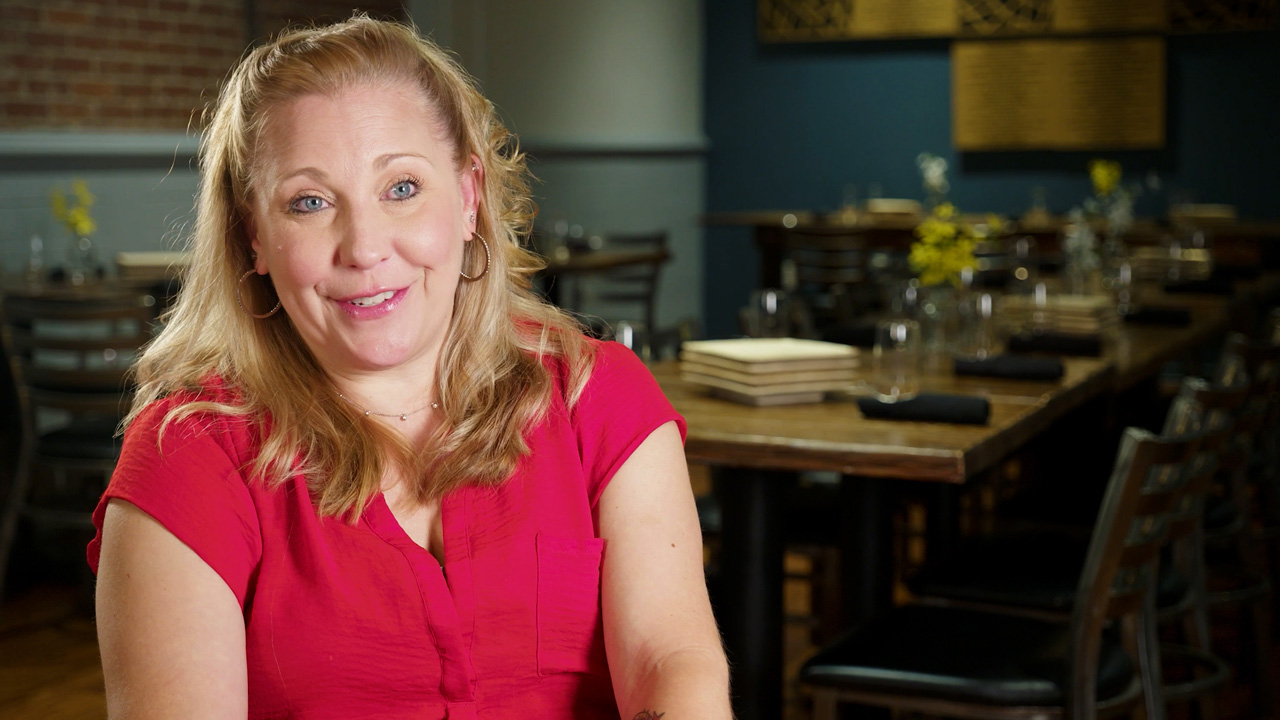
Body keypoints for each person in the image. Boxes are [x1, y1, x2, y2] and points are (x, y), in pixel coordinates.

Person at [88, 15, 730, 719]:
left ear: (468, 197)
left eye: (401, 188)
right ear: (255, 238)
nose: (364, 247)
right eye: (309, 202)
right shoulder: (188, 454)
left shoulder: (595, 396)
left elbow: (669, 662)